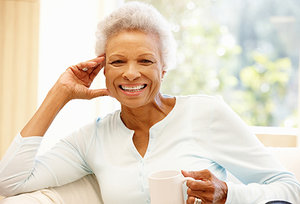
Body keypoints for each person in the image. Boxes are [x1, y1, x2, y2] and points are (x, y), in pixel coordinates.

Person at [0, 1, 299, 204]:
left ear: (163, 69)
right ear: (103, 70)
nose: (131, 73)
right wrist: (59, 94)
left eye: (145, 60)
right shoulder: (91, 139)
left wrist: (227, 194)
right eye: (118, 61)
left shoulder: (205, 114)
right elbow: (9, 183)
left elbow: (290, 188)